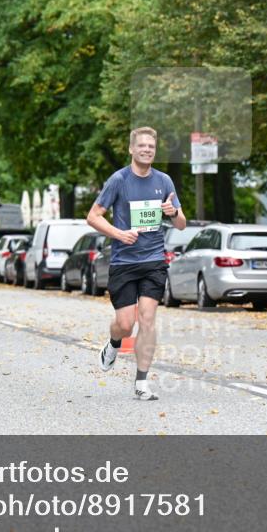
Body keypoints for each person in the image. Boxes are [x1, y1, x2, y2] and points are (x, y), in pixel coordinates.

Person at [86, 126, 185, 401]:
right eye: (142, 146)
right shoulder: (119, 180)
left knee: (148, 319)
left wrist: (173, 212)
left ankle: (141, 382)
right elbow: (93, 216)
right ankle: (114, 343)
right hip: (124, 262)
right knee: (125, 324)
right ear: (131, 149)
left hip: (154, 260)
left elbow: (181, 223)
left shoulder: (164, 180)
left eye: (151, 147)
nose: (147, 150)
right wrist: (119, 234)